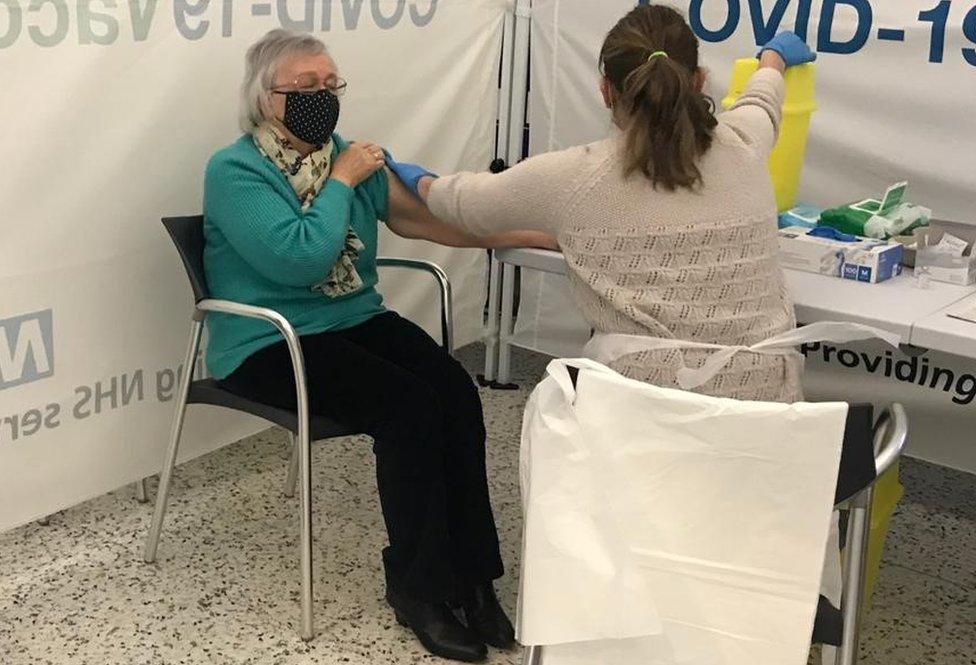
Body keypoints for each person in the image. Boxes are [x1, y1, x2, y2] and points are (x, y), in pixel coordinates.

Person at [203, 29, 545, 662]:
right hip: (269, 339)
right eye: (303, 88)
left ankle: (473, 579)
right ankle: (419, 590)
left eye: (330, 85)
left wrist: (524, 234)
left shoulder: (342, 155)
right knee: (409, 410)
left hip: (350, 320)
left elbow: (418, 217)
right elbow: (298, 262)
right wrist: (341, 179)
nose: (322, 98)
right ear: (264, 98)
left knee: (455, 395)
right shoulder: (236, 171)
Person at [399, 5, 817, 403]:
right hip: (767, 420)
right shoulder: (744, 144)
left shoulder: (575, 178)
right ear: (699, 81)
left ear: (605, 91)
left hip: (640, 422)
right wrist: (773, 59)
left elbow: (464, 205)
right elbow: (761, 102)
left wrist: (419, 180)